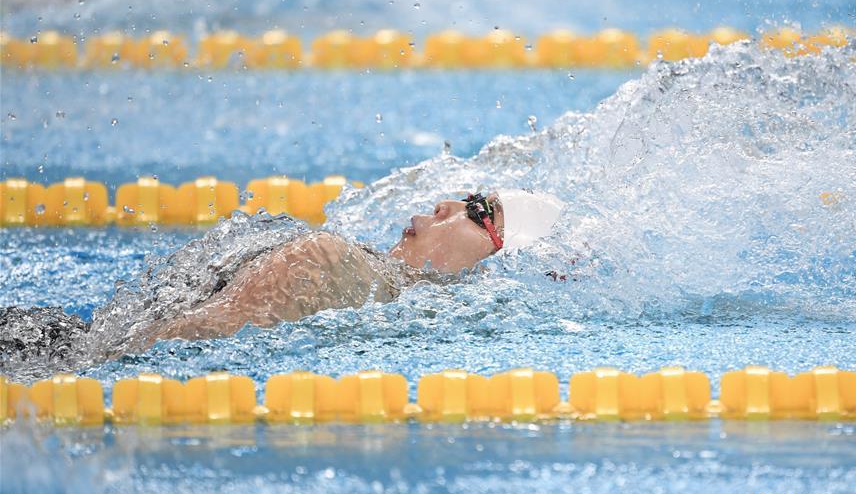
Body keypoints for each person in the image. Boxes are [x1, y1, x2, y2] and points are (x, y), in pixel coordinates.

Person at [145, 189, 564, 341]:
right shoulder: (333, 261)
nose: (444, 205)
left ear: (496, 264)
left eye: (477, 211)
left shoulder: (341, 268)